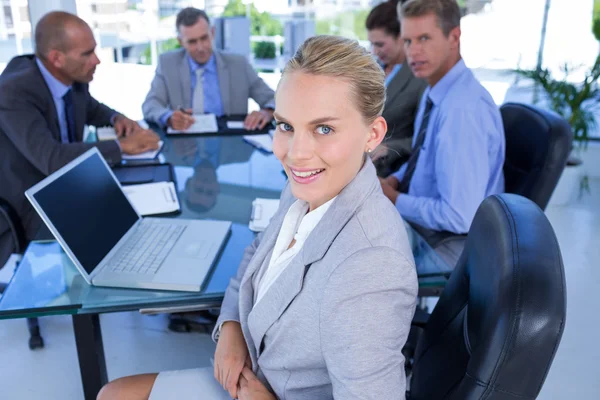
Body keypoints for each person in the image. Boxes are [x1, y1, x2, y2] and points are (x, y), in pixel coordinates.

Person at [98, 35, 418, 400]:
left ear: (372, 135)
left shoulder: (371, 265)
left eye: (324, 128)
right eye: (285, 126)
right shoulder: (309, 186)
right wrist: (231, 325)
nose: (295, 153)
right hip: (256, 373)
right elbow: (258, 252)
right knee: (113, 393)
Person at [0, 11, 160, 267]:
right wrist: (122, 147)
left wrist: (117, 118)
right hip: (29, 203)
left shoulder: (72, 78)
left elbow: (92, 109)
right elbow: (52, 159)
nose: (97, 60)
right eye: (87, 54)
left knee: (142, 220)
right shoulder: (13, 92)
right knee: (123, 230)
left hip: (68, 186)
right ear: (56, 59)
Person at [379, 0, 505, 254]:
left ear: (454, 37)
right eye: (408, 41)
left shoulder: (463, 112)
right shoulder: (435, 90)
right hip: (423, 223)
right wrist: (395, 179)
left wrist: (394, 199)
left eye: (424, 38)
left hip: (447, 244)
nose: (413, 52)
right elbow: (423, 157)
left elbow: (460, 216)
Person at [142, 7, 276, 132]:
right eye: (192, 42)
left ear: (212, 33)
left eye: (204, 38)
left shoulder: (238, 64)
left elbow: (274, 99)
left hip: (229, 143)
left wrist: (267, 112)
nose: (200, 47)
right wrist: (168, 117)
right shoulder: (167, 64)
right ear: (180, 41)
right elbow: (150, 105)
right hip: (184, 143)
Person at [366, 0, 426, 176]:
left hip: (388, 171)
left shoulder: (419, 78)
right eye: (372, 44)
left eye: (380, 44)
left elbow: (424, 139)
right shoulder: (373, 69)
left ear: (401, 37)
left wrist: (388, 148)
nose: (374, 51)